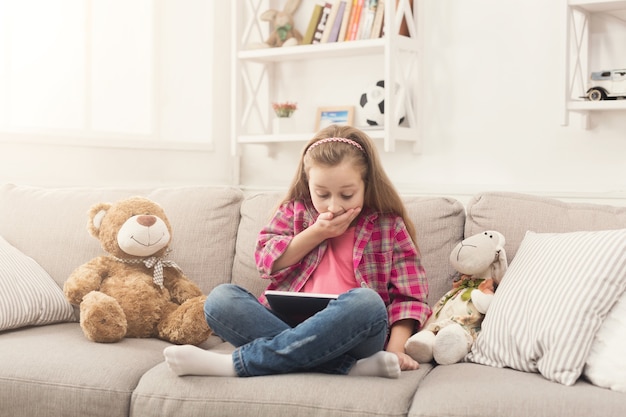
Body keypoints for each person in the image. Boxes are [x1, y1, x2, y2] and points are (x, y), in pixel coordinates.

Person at [164, 125, 431, 378]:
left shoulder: (388, 224)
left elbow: (410, 298)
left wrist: (395, 350)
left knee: (367, 302)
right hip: (286, 324)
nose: (333, 205)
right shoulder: (294, 211)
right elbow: (266, 261)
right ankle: (350, 368)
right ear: (307, 183)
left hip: (354, 332)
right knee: (220, 299)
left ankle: (235, 365)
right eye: (322, 194)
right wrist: (317, 232)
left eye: (347, 195)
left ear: (366, 185)